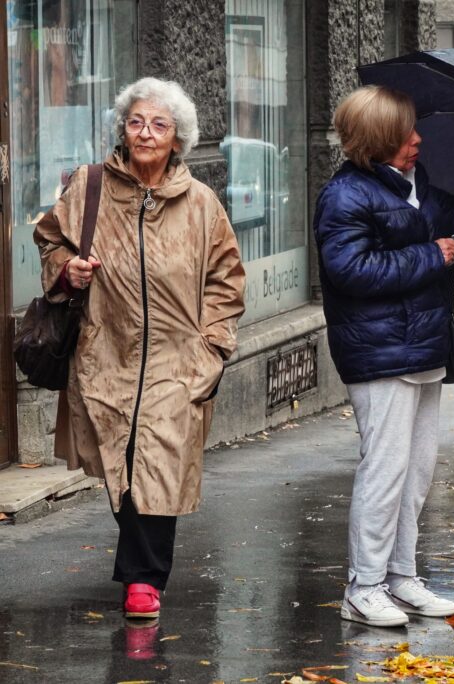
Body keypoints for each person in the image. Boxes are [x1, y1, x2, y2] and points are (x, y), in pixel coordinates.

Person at [34, 77, 246, 619]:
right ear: (123, 131)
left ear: (178, 140)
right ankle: (139, 567)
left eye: (159, 125)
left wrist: (213, 347)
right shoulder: (90, 186)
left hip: (180, 361)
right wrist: (68, 271)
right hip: (105, 352)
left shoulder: (201, 204)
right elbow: (49, 236)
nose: (145, 133)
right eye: (136, 122)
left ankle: (144, 579)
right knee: (122, 462)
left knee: (157, 463)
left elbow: (227, 279)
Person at [315, 85, 454, 628]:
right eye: (406, 133)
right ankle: (364, 586)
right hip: (379, 355)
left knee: (417, 470)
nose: (418, 139)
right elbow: (350, 272)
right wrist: (432, 254)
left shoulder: (413, 187)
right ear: (380, 141)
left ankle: (400, 577)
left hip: (424, 346)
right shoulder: (345, 196)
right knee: (385, 469)